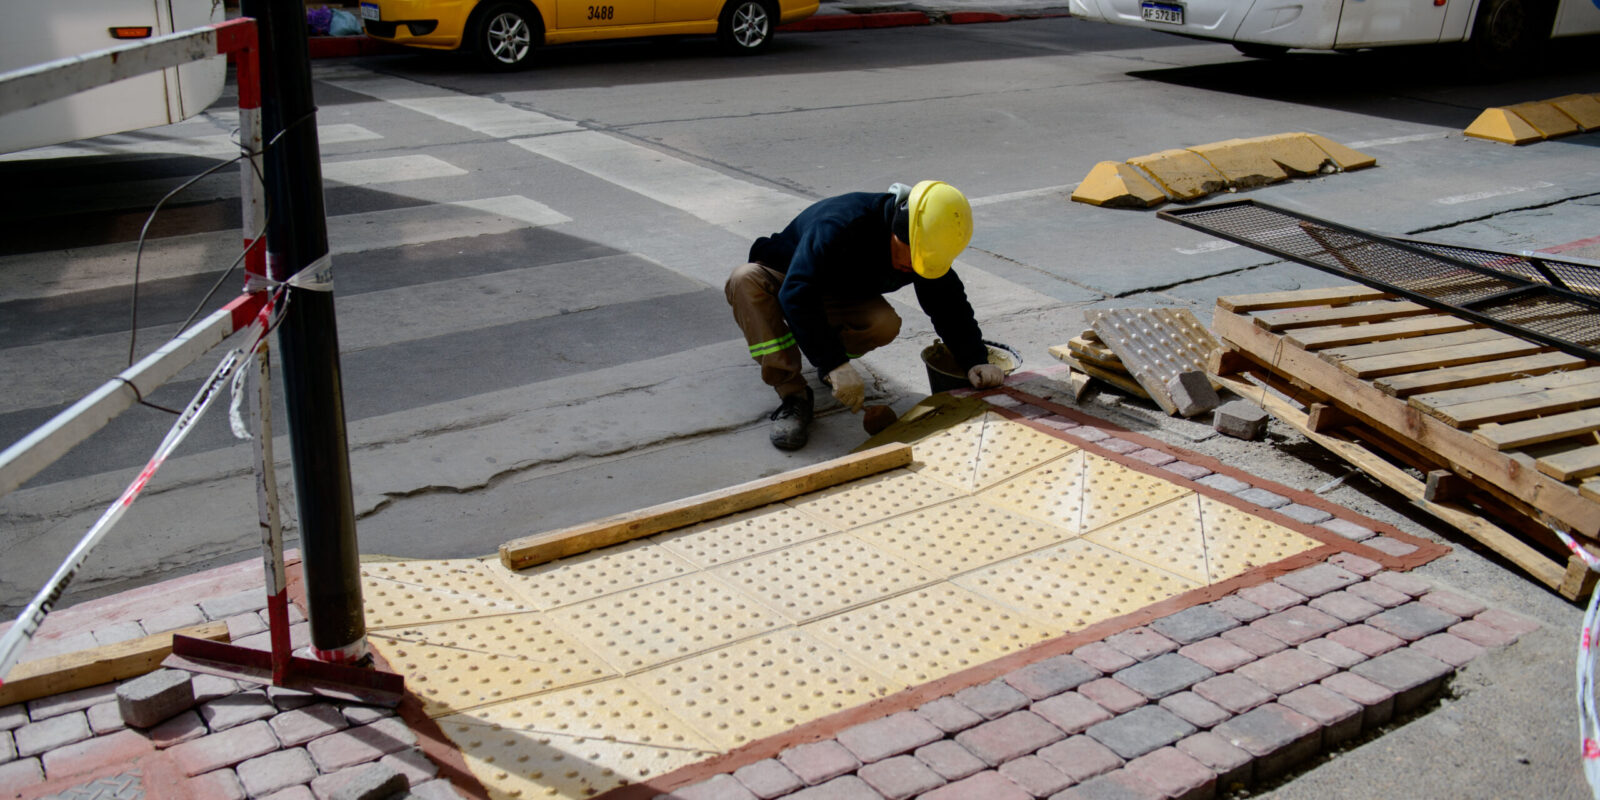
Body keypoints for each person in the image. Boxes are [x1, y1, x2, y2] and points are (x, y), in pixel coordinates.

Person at [725, 180, 1004, 451]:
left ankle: (829, 366)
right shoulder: (841, 225)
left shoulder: (923, 243)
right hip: (788, 277)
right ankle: (792, 394)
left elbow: (948, 302)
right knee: (744, 280)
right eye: (911, 258)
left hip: (834, 290)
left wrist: (975, 359)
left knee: (884, 323)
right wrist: (833, 364)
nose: (912, 267)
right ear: (897, 230)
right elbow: (796, 293)